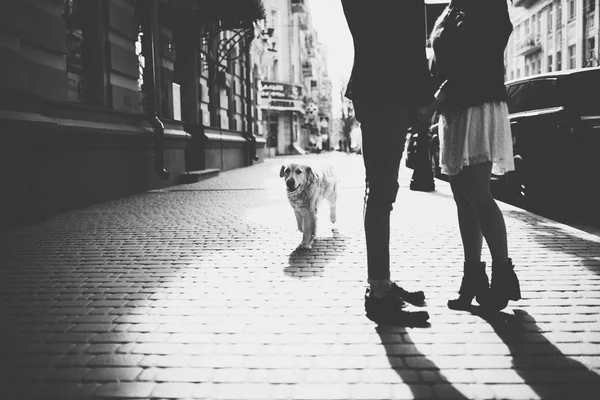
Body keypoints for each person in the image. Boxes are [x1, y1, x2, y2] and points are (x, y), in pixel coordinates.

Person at [341, 0, 434, 325]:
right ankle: (379, 291)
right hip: (391, 89)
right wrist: (423, 97)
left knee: (378, 189)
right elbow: (411, 37)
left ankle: (380, 282)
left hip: (371, 86)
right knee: (382, 190)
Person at [425, 0, 521, 311]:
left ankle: (502, 276)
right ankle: (473, 278)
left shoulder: (487, 4)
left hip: (477, 103)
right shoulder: (450, 8)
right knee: (462, 197)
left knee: (478, 194)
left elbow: (482, 55)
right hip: (454, 110)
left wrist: (439, 95)